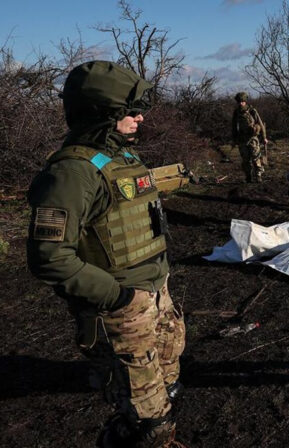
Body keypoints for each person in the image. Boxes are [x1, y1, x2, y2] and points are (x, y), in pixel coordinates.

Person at [26, 61, 186, 447]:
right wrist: (118, 297)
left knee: (168, 392)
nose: (140, 117)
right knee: (149, 426)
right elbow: (50, 256)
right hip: (122, 312)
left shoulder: (122, 159)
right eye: (129, 111)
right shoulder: (71, 173)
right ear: (100, 113)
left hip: (157, 300)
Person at [232, 92, 268, 183]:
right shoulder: (236, 112)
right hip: (242, 139)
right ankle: (248, 176)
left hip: (253, 138)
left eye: (242, 101)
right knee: (245, 159)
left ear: (245, 101)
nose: (241, 103)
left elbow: (260, 123)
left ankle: (258, 175)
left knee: (256, 157)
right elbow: (233, 127)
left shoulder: (252, 111)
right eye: (239, 102)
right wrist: (234, 139)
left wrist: (264, 137)